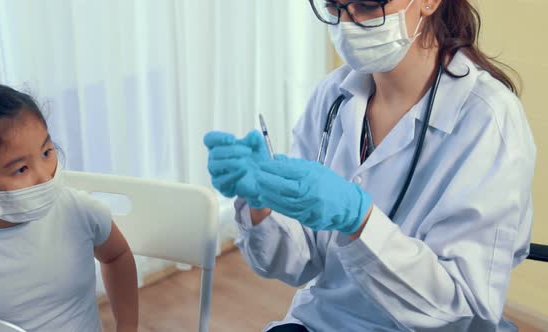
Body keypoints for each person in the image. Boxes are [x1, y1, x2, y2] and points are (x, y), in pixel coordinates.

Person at [203, 0, 536, 331]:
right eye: (334, 6)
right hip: (323, 321)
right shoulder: (332, 95)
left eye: (366, 4)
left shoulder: (487, 120)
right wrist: (261, 203)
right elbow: (300, 261)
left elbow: (462, 306)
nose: (347, 22)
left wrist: (360, 220)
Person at [0, 82, 139, 332]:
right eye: (21, 169)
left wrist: (127, 326)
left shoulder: (80, 211)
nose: (45, 176)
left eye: (46, 152)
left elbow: (117, 255)